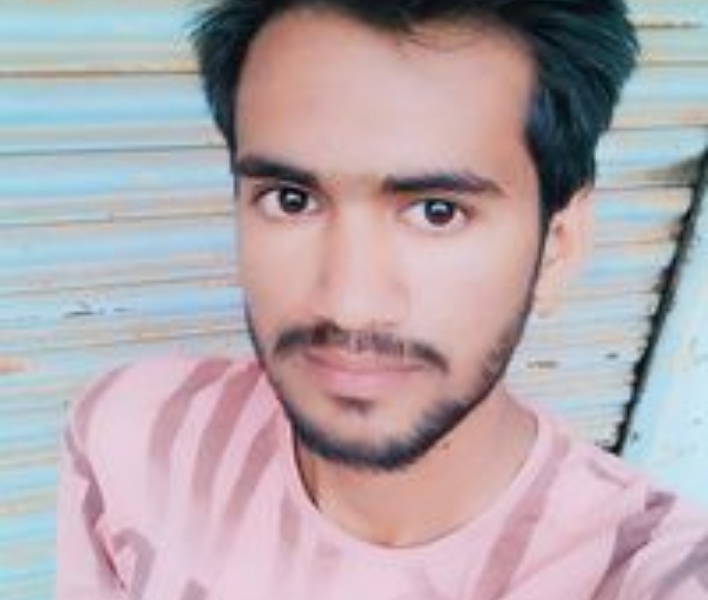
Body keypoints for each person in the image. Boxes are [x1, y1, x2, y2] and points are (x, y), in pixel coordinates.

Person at [55, 0, 708, 598]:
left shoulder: (638, 568)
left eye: (437, 212)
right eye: (291, 200)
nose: (350, 306)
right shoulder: (129, 435)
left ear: (556, 248)